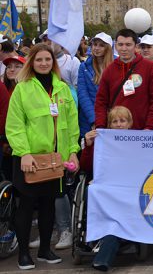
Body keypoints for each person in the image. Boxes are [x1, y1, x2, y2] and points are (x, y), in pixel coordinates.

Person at [6, 44, 80, 269]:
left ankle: (45, 249)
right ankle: (24, 254)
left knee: (49, 205)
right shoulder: (22, 89)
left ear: (53, 62)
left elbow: (72, 124)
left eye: (48, 59)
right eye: (39, 60)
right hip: (29, 159)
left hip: (55, 159)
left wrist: (73, 152)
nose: (44, 63)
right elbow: (15, 125)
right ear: (32, 62)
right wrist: (24, 153)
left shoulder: (63, 88)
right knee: (27, 206)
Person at [81, 106, 134, 272]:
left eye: (122, 121)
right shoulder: (102, 141)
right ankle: (108, 239)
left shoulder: (137, 143)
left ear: (129, 124)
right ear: (109, 125)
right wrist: (89, 145)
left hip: (128, 188)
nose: (119, 124)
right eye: (114, 121)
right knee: (91, 190)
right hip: (107, 188)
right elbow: (85, 166)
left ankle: (105, 246)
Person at [94, 29, 153, 131]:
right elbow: (101, 101)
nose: (124, 48)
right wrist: (100, 126)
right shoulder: (109, 70)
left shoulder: (149, 67)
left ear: (136, 46)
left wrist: (150, 126)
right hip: (117, 129)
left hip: (142, 130)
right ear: (115, 46)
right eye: (120, 44)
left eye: (128, 45)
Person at [76, 33, 113, 138]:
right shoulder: (84, 67)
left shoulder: (116, 66)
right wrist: (94, 120)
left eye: (101, 45)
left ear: (108, 48)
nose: (96, 48)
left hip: (112, 119)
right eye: (94, 44)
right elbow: (83, 94)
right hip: (89, 119)